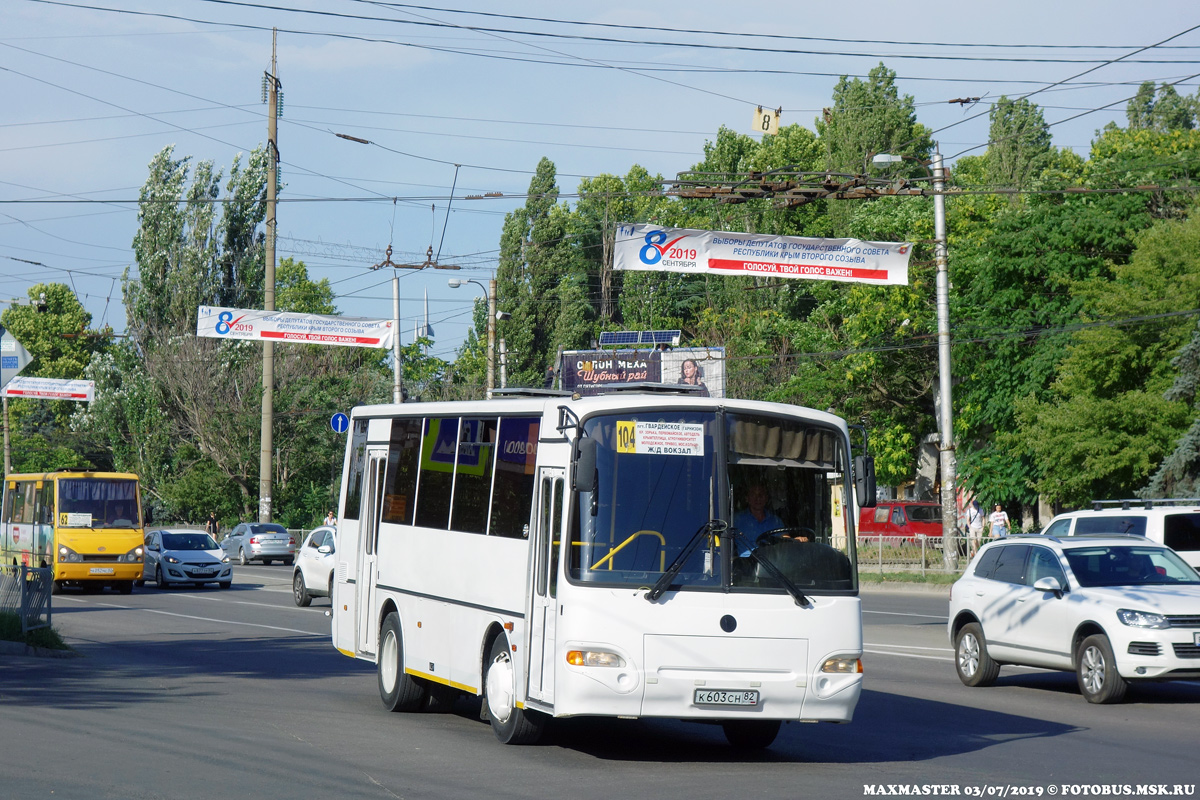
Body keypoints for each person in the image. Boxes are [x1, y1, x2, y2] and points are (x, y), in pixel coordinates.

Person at [733, 483, 784, 556]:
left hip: (770, 564)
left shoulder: (775, 521)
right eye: (754, 495)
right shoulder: (736, 519)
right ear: (747, 498)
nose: (758, 498)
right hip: (745, 565)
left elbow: (785, 539)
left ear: (766, 498)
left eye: (761, 494)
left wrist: (796, 540)